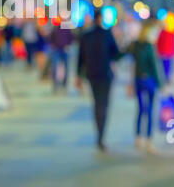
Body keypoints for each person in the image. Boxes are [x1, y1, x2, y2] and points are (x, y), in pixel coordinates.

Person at [77, 10, 120, 152]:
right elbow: (116, 54)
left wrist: (78, 75)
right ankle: (101, 135)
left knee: (97, 103)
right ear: (100, 18)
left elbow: (80, 57)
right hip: (105, 74)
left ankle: (99, 133)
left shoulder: (86, 35)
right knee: (104, 104)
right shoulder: (106, 34)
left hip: (92, 75)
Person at [128, 23, 163, 153]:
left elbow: (124, 55)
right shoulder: (149, 46)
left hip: (138, 80)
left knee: (140, 108)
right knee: (149, 110)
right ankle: (148, 140)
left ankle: (138, 137)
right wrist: (161, 84)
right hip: (149, 81)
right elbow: (154, 66)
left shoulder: (135, 45)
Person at [50, 25, 73, 92]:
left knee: (66, 68)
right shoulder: (55, 28)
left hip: (65, 50)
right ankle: (55, 84)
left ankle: (64, 84)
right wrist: (53, 45)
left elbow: (71, 38)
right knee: (54, 67)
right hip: (57, 50)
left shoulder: (67, 29)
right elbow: (51, 38)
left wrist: (68, 45)